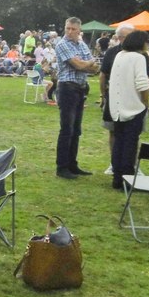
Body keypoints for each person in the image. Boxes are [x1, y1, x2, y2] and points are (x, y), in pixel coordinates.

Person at [54, 17, 100, 179]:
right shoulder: (62, 44)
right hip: (67, 88)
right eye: (67, 28)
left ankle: (72, 164)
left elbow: (95, 69)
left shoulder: (81, 44)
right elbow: (80, 65)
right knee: (67, 129)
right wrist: (87, 62)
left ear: (79, 30)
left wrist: (85, 64)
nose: (70, 32)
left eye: (73, 29)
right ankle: (62, 167)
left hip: (80, 89)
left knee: (76, 130)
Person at [108, 30, 149, 189]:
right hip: (133, 107)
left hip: (118, 107)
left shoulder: (119, 55)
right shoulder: (139, 58)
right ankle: (127, 177)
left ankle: (117, 177)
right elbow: (142, 83)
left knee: (119, 142)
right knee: (130, 145)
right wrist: (146, 102)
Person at [98, 23, 134, 176]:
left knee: (132, 134)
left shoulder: (140, 53)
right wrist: (103, 96)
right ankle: (114, 163)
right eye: (127, 36)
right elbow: (103, 75)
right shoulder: (112, 52)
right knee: (113, 131)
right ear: (119, 37)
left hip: (133, 100)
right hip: (113, 98)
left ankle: (130, 164)